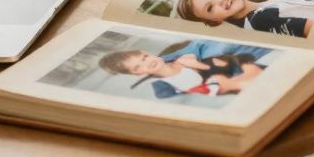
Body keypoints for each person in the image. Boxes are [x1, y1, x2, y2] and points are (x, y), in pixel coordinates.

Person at [98, 48, 265, 99]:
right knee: (218, 81)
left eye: (145, 57)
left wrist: (196, 64)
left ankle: (253, 77)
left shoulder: (185, 59)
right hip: (218, 87)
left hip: (232, 72)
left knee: (240, 65)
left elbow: (217, 66)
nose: (147, 61)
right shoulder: (162, 88)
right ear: (137, 74)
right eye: (138, 67)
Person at [175, 0, 314, 38]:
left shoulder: (256, 4)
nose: (219, 1)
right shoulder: (261, 19)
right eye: (210, 8)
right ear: (215, 21)